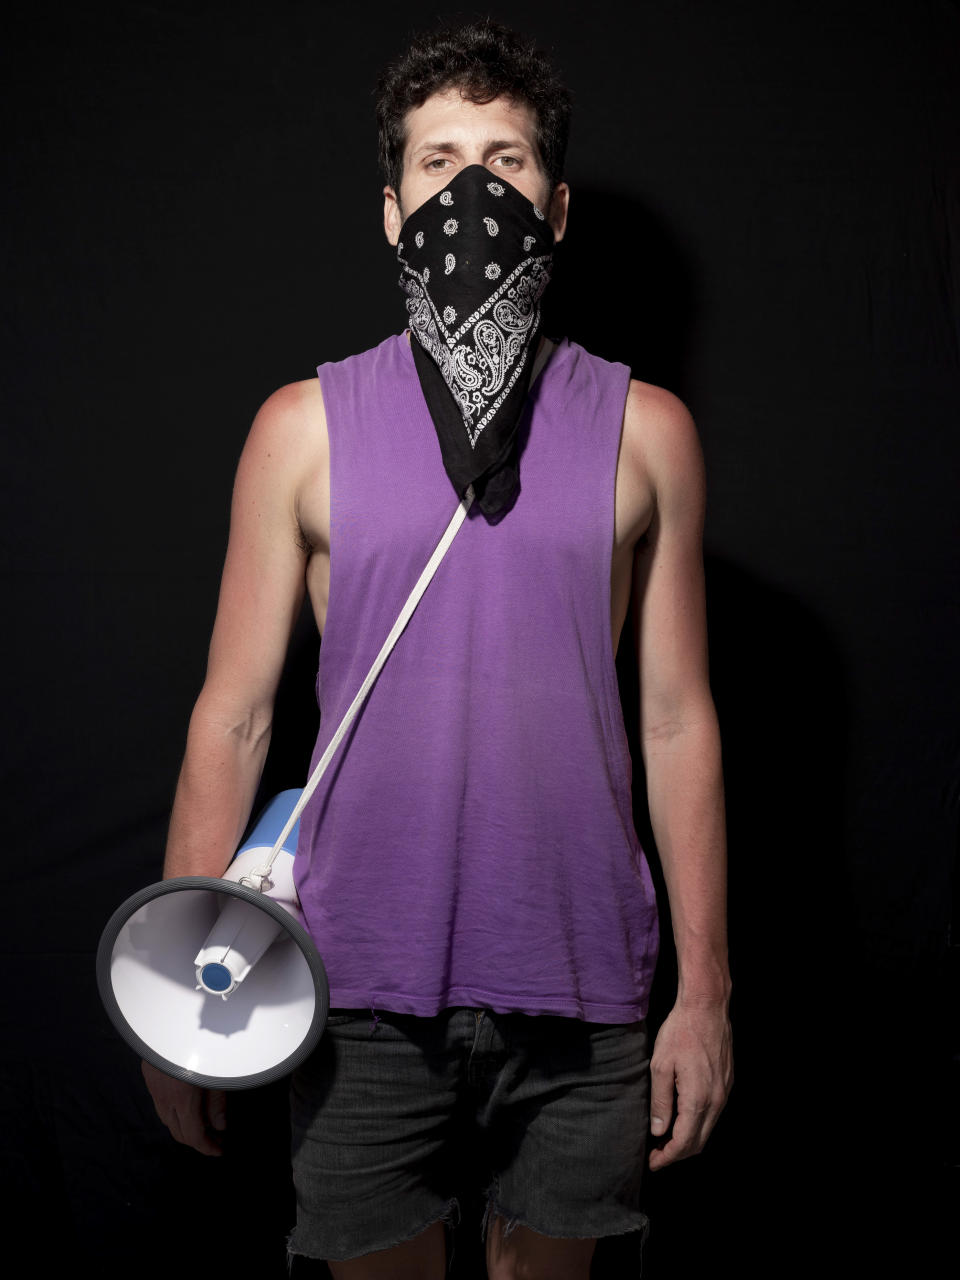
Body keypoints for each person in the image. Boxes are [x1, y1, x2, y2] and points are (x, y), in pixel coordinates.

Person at [143, 19, 733, 1280]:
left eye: (506, 161)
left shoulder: (651, 430)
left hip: (580, 973)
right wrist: (177, 998)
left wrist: (706, 990)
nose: (473, 188)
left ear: (558, 206)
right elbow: (233, 714)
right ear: (394, 207)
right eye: (439, 161)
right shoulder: (301, 427)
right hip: (355, 976)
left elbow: (678, 717)